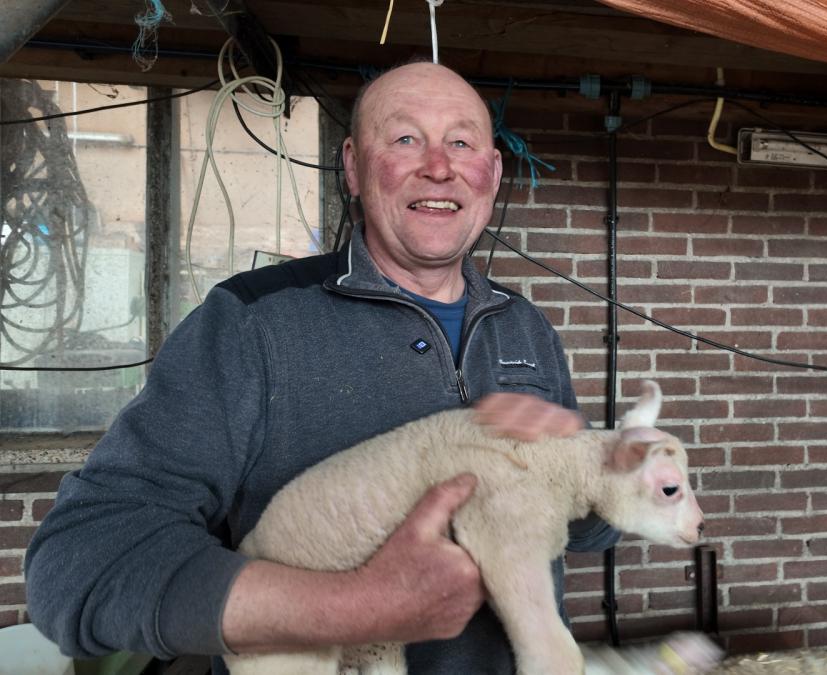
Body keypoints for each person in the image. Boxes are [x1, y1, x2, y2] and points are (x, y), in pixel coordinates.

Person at [24, 61, 620, 675]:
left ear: (491, 173)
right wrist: (358, 607)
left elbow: (586, 533)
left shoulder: (525, 327)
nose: (439, 166)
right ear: (355, 169)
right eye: (405, 139)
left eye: (462, 142)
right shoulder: (251, 322)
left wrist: (593, 468)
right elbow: (78, 564)